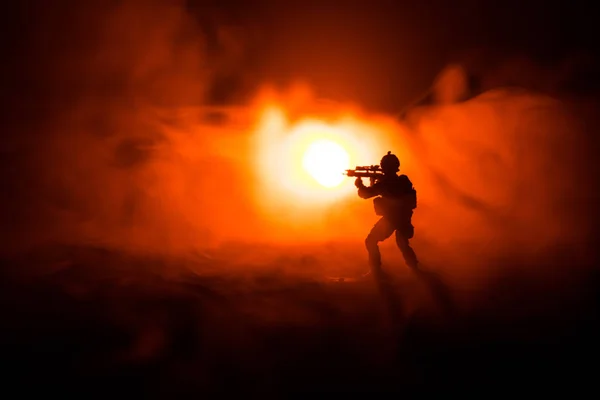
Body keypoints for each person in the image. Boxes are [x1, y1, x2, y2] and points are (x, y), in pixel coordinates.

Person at [355, 151, 419, 277]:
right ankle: (415, 268)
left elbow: (366, 194)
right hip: (404, 217)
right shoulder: (403, 180)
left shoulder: (385, 183)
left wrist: (360, 185)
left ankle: (376, 271)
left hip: (391, 218)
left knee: (371, 241)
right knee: (402, 242)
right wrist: (374, 180)